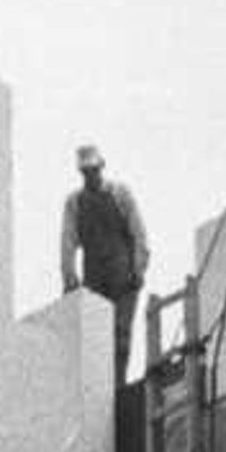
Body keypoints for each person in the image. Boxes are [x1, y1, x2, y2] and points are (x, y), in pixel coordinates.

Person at [60, 142, 150, 378]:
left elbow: (139, 233)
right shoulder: (75, 202)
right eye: (86, 172)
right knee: (96, 338)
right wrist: (69, 277)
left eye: (94, 170)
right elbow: (67, 241)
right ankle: (101, 388)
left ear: (101, 167)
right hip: (94, 275)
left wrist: (139, 268)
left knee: (120, 335)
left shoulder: (120, 193)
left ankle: (118, 385)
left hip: (123, 273)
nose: (91, 176)